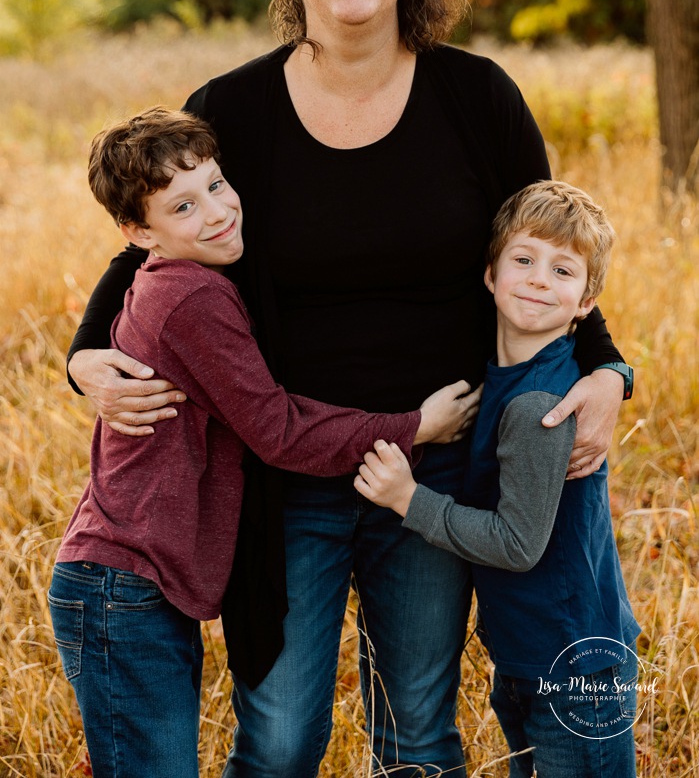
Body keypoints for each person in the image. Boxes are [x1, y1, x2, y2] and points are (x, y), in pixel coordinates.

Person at [66, 0, 629, 778]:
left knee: (416, 728)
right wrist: (87, 355)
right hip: (286, 472)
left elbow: (549, 247)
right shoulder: (235, 109)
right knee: (282, 737)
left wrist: (607, 370)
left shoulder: (475, 96)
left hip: (438, 465)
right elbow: (149, 244)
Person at [49, 106, 471, 778]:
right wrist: (414, 427)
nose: (215, 212)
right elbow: (277, 429)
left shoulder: (185, 282)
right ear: (139, 233)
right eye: (183, 207)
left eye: (217, 186)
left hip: (134, 583)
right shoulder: (191, 298)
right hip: (120, 584)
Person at [355, 180, 639, 778]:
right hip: (531, 655)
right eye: (524, 260)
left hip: (573, 667)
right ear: (490, 274)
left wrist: (409, 499)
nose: (539, 279)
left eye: (563, 270)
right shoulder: (507, 379)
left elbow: (517, 543)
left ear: (586, 302)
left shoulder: (539, 404)